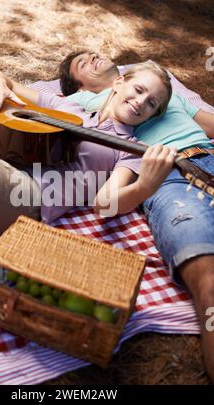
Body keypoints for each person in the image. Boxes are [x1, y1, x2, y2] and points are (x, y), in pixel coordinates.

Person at [58, 57, 214, 382]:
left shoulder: (164, 89)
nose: (93, 56)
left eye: (151, 100)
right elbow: (27, 97)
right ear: (82, 84)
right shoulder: (88, 101)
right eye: (82, 63)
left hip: (208, 154)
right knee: (209, 282)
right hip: (170, 180)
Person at [0, 62, 174, 241]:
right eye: (138, 90)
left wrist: (145, 187)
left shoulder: (130, 150)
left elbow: (104, 204)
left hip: (22, 197)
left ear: (153, 114)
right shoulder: (68, 109)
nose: (140, 102)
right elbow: (9, 83)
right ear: (118, 83)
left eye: (152, 103)